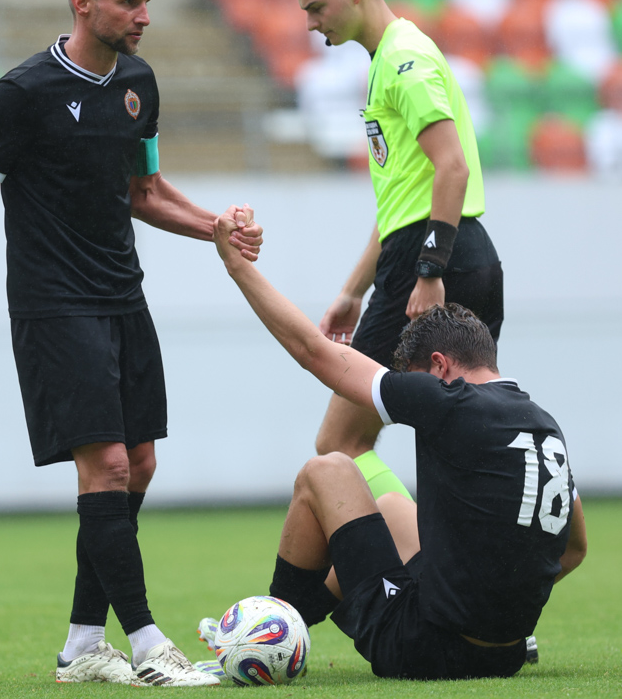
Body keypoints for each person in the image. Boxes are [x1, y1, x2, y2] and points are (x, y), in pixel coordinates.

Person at [0, 0, 262, 687]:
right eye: (129, 4)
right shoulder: (24, 91)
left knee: (138, 465)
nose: (144, 17)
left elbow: (146, 192)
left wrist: (216, 228)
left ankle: (81, 644)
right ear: (83, 4)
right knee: (105, 465)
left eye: (148, 3)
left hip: (122, 297)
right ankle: (148, 646)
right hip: (53, 305)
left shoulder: (138, 83)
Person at [198, 207, 586, 680]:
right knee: (390, 507)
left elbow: (313, 351)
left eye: (415, 377)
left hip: (425, 647)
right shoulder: (546, 426)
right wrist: (498, 605)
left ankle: (265, 637)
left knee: (327, 470)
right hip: (503, 654)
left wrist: (237, 266)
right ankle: (279, 627)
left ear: (439, 365)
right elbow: (574, 548)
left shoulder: (449, 401)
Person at [288, 0, 505, 503]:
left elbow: (452, 168)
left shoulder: (405, 61)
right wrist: (352, 291)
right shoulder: (390, 58)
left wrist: (429, 272)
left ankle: (409, 547)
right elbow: (400, 205)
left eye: (316, 7)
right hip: (448, 253)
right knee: (460, 438)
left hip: (432, 261)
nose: (311, 23)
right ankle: (467, 548)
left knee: (339, 444)